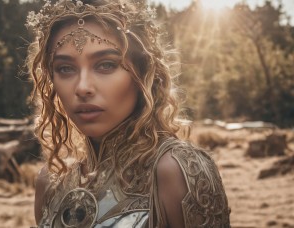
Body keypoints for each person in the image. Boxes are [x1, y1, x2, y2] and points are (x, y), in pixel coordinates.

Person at [26, 0, 230, 227]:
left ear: (142, 73)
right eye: (65, 68)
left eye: (106, 65)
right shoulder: (51, 182)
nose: (82, 87)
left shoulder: (176, 170)